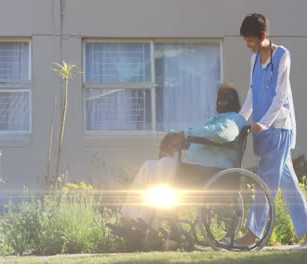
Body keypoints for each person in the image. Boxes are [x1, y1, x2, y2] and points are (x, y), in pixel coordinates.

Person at [107, 82, 250, 250]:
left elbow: (222, 134)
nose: (222, 99)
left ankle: (151, 229)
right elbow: (202, 136)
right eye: (220, 96)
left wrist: (185, 134)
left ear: (233, 101)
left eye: (226, 96)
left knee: (164, 169)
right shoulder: (215, 120)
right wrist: (174, 137)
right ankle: (133, 222)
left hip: (211, 175)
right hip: (197, 172)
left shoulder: (235, 119)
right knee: (149, 167)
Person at [236, 13, 307, 250]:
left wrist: (264, 122)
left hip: (279, 126)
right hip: (263, 129)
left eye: (251, 40)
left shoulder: (283, 56)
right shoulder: (254, 60)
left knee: (265, 180)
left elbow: (281, 95)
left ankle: (253, 235)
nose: (247, 44)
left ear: (264, 36)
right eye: (245, 40)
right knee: (288, 181)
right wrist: (238, 121)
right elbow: (253, 95)